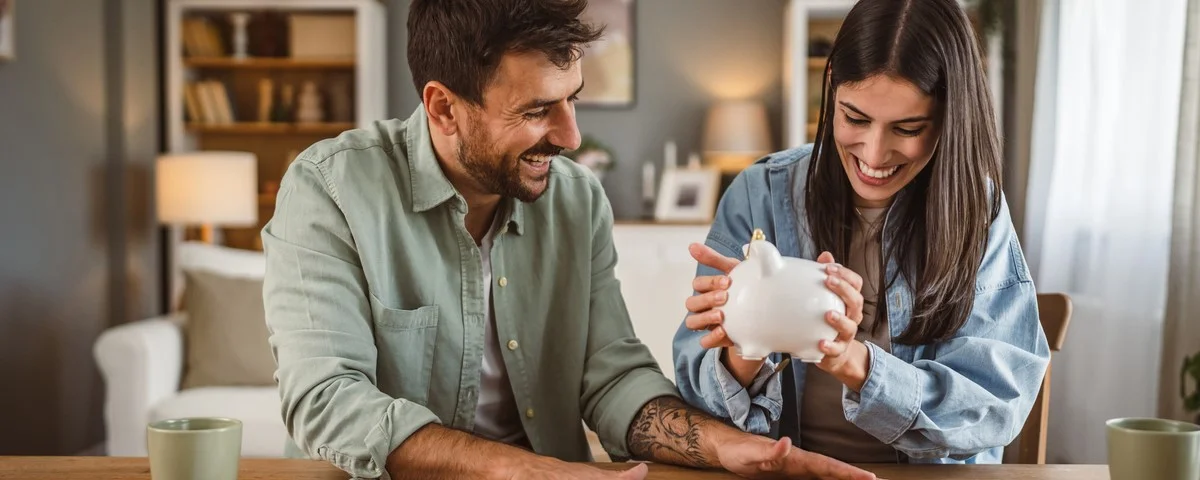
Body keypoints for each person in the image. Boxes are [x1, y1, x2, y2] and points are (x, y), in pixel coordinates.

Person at [263, 1, 877, 479]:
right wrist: (526, 469)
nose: (572, 136)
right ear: (444, 108)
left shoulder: (576, 198)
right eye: (536, 111)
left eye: (573, 100)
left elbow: (611, 378)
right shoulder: (329, 190)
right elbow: (326, 399)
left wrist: (726, 446)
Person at [674, 0, 1051, 465]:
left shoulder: (978, 211)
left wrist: (854, 361)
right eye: (855, 118)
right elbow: (696, 398)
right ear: (831, 86)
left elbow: (996, 404)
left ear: (950, 119)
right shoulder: (762, 193)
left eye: (908, 128)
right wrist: (742, 348)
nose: (874, 153)